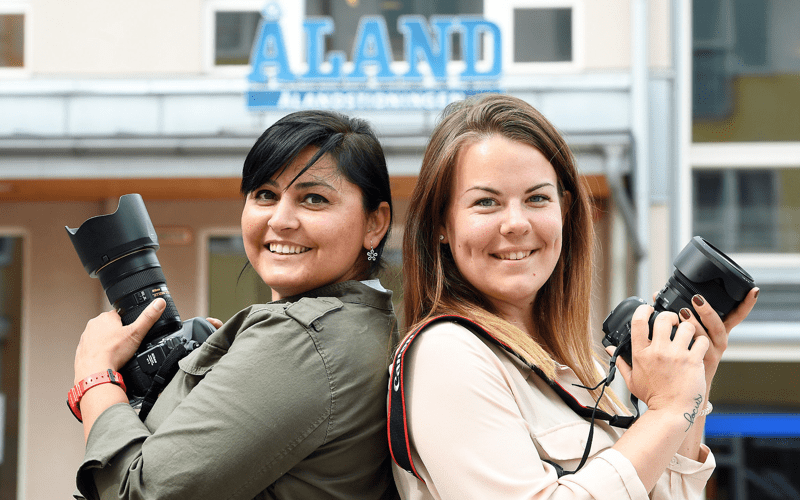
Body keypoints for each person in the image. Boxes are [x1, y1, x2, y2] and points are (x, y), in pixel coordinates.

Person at [390, 93, 759, 499]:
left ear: (564, 210)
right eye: (486, 202)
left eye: (537, 198)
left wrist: (692, 385)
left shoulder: (575, 369)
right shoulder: (447, 353)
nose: (515, 223)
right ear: (442, 223)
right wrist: (667, 411)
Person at [70, 110, 400, 499]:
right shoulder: (362, 323)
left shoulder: (300, 338)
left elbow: (141, 492)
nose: (280, 220)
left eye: (314, 198)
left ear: (375, 224)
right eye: (265, 195)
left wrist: (94, 377)